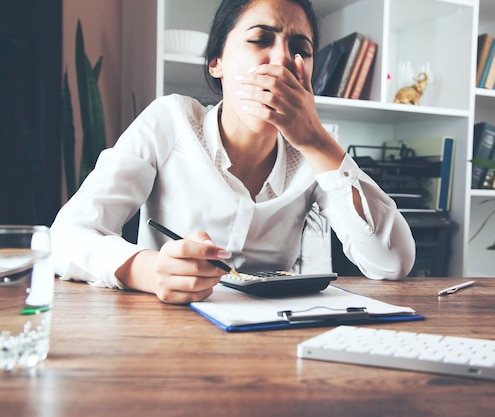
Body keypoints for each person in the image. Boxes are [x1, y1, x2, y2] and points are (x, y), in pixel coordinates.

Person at [50, 0, 416, 304]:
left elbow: (393, 262)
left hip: (275, 340)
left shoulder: (314, 153)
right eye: (260, 40)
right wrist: (146, 269)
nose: (282, 60)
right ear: (217, 62)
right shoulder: (170, 121)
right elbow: (66, 236)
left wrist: (316, 140)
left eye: (301, 50)